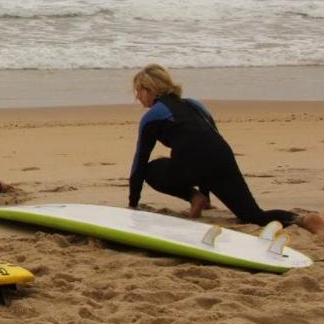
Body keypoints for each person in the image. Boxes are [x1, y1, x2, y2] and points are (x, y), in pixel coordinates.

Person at [128, 64, 324, 234]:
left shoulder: (153, 116)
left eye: (138, 92)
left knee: (150, 169)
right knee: (252, 215)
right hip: (222, 159)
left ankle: (193, 197)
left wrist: (132, 204)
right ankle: (302, 220)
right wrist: (207, 196)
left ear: (148, 90)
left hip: (192, 165)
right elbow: (209, 142)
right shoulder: (196, 105)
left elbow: (139, 161)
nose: (138, 98)